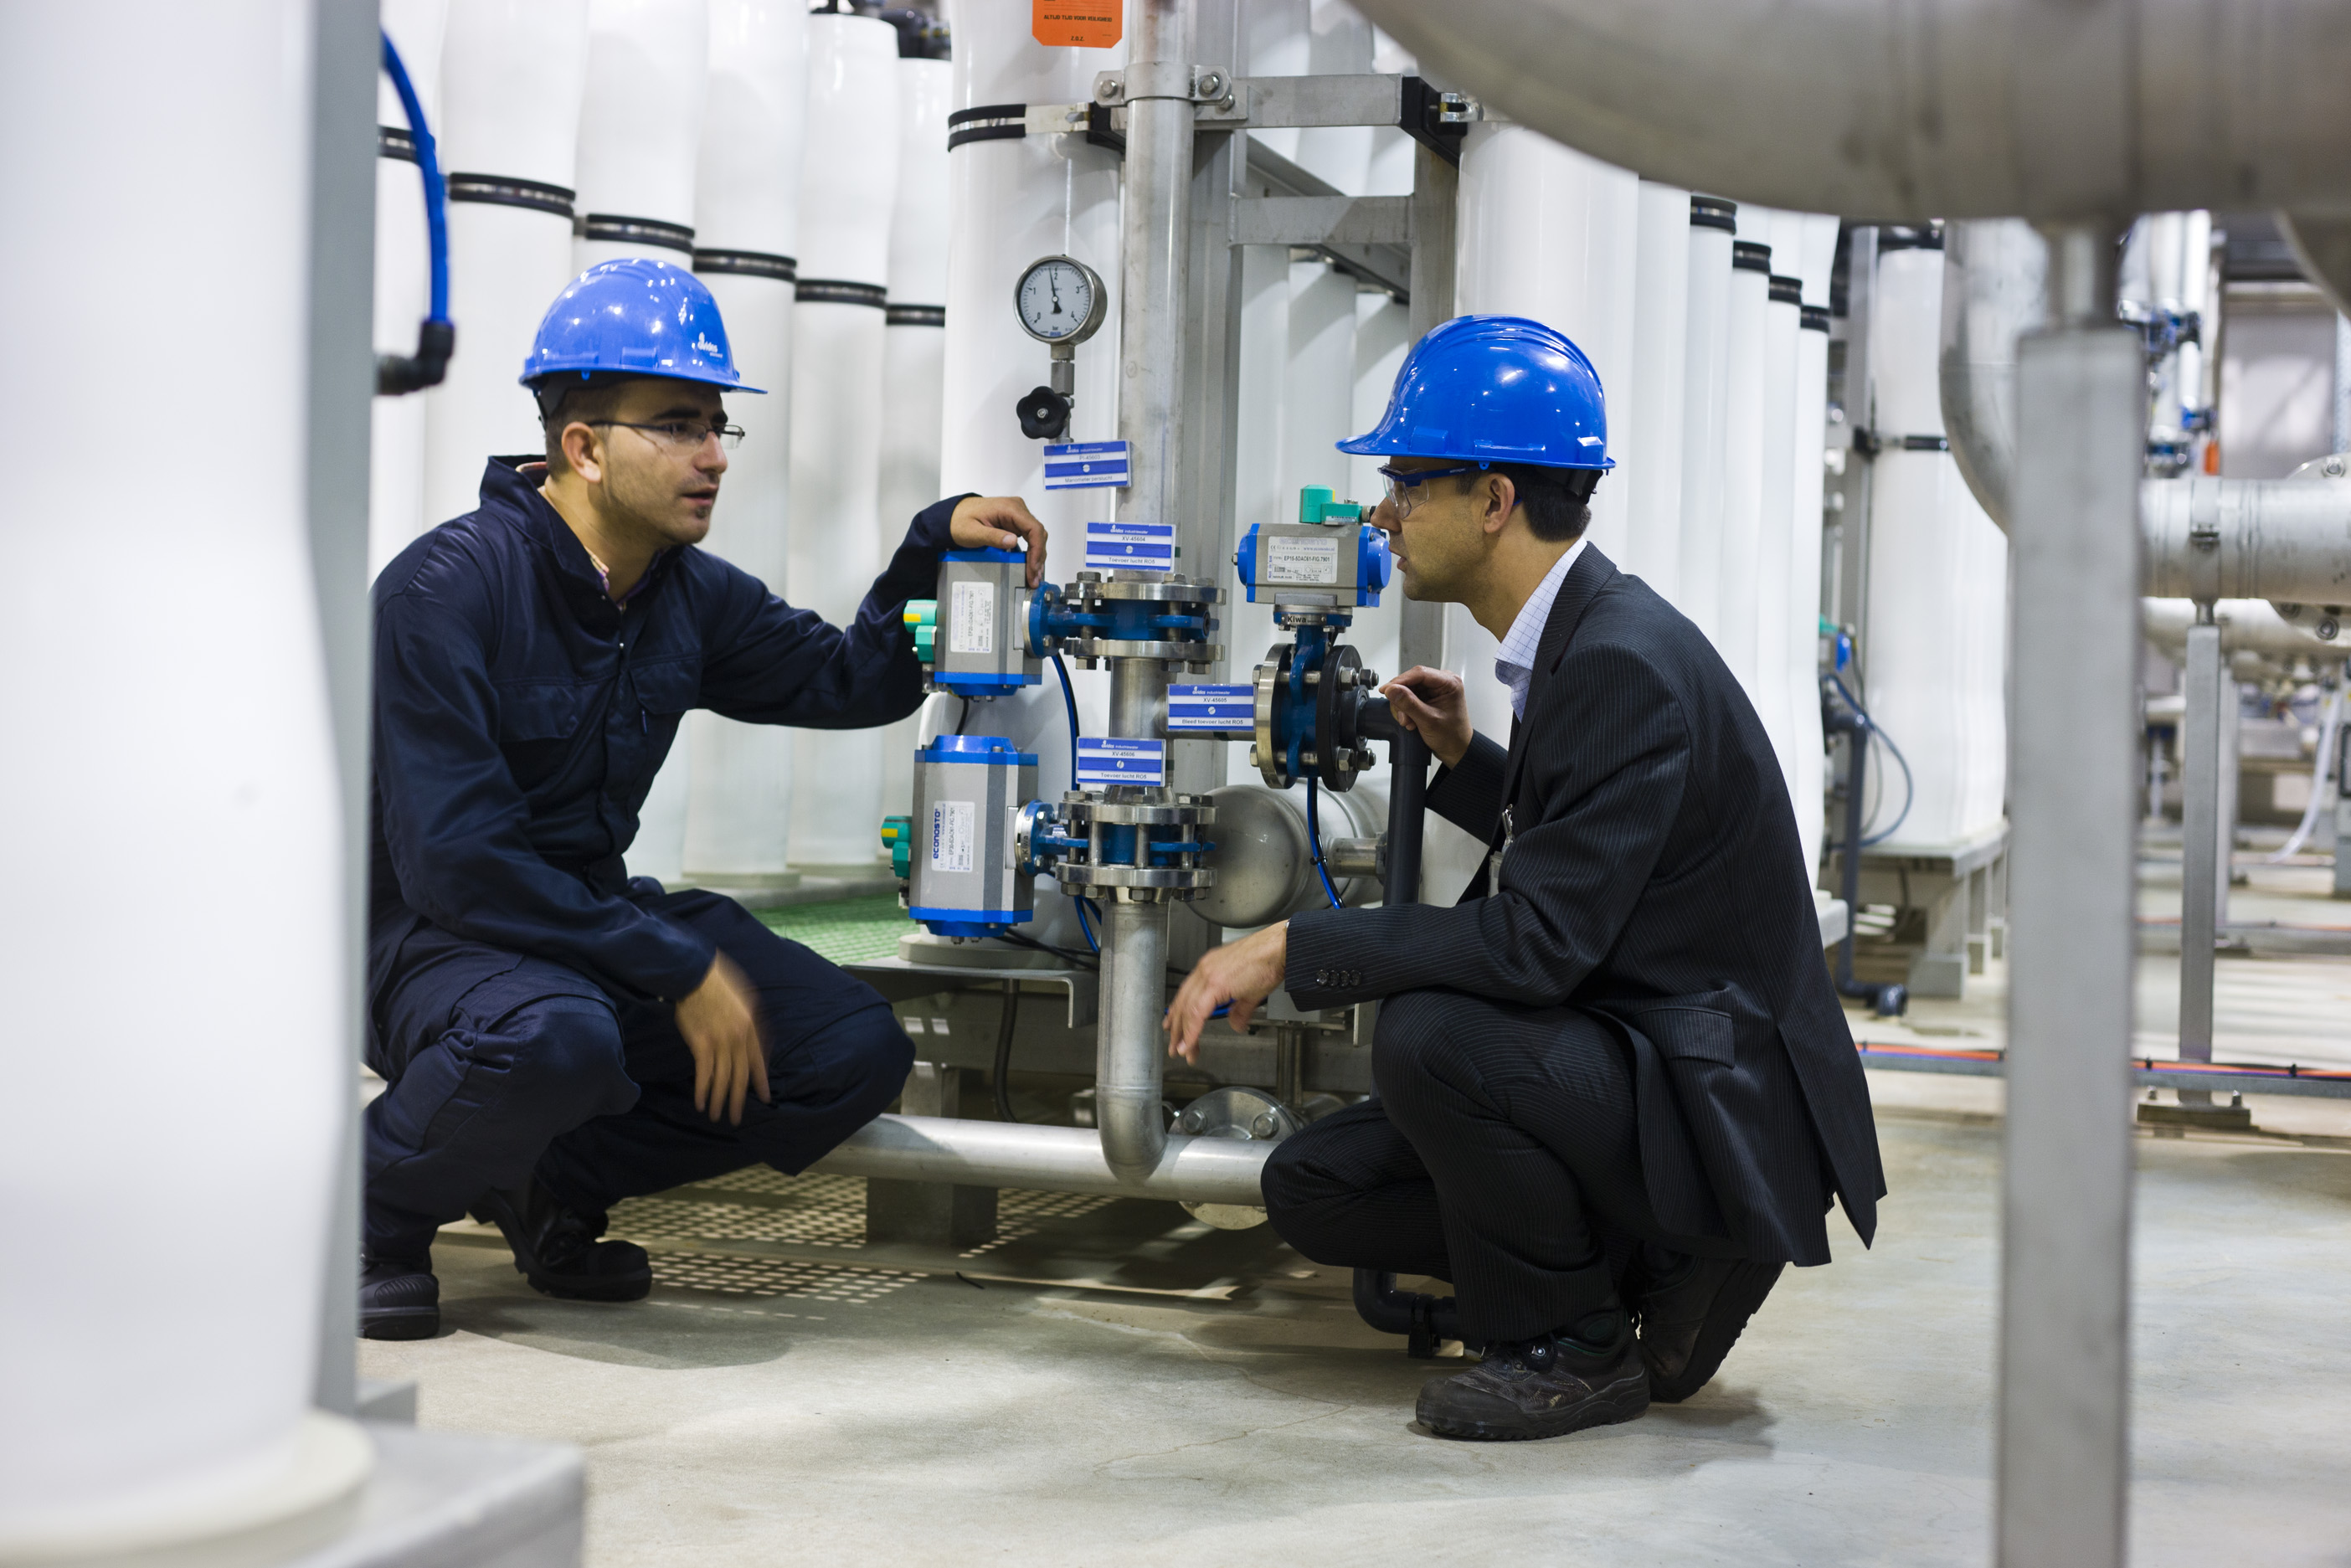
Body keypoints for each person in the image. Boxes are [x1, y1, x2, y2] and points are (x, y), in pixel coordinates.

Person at [1165, 314, 1885, 1442]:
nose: (1383, 514)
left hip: (1712, 1105)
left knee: (1428, 1037)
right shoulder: (1583, 639)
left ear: (1493, 502)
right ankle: (1643, 1272)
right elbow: (1604, 843)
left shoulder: (1617, 660)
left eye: (1408, 482)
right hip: (1648, 1056)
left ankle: (1574, 1345)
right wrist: (1470, 765)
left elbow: (1539, 942)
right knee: (1314, 1183)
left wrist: (1294, 948)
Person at [360, 258, 1048, 1339]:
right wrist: (673, 962)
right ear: (581, 447)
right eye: (679, 424)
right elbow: (459, 863)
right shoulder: (445, 590)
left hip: (583, 918)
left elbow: (851, 680)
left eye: (720, 426)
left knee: (848, 1051)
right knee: (558, 1033)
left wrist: (931, 543)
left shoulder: (688, 595)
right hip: (431, 937)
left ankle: (549, 1178)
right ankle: (370, 1214)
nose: (715, 457)